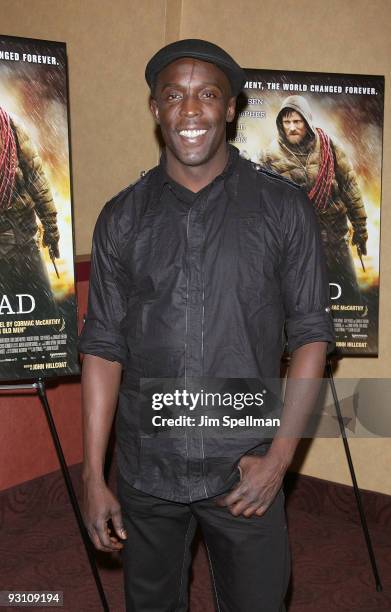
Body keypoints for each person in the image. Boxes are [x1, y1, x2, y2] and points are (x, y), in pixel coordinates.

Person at [79, 40, 334, 612]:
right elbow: (102, 344)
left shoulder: (283, 209)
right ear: (155, 109)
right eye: (174, 95)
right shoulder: (122, 217)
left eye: (207, 95)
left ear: (230, 108)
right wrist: (95, 476)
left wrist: (278, 462)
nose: (190, 110)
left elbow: (312, 337)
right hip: (148, 471)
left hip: (243, 468)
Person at [261, 95, 368, 304]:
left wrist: (361, 229)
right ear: (281, 124)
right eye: (287, 122)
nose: (292, 127)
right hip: (294, 249)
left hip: (334, 242)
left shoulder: (330, 147)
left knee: (348, 302)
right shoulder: (269, 156)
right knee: (299, 310)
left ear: (307, 121)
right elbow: (263, 207)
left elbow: (350, 188)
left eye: (297, 121)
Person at [0, 106, 60, 316]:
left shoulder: (10, 127)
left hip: (25, 243)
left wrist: (51, 228)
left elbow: (37, 179)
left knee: (46, 316)